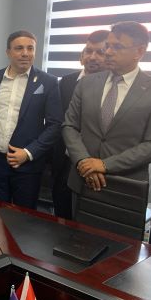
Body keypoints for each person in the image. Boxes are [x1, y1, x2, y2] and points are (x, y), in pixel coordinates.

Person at [62, 21, 151, 217]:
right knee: (76, 235)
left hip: (126, 187)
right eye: (108, 46)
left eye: (117, 47)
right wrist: (84, 161)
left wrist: (104, 165)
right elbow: (70, 126)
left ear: (139, 51)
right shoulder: (86, 83)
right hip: (82, 180)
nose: (109, 52)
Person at [0, 30, 63, 209]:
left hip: (28, 164)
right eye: (19, 48)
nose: (25, 53)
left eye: (30, 48)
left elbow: (55, 125)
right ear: (8, 52)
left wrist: (29, 152)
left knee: (24, 218)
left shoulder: (48, 82)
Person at [51, 30, 109, 219]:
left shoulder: (113, 86)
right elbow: (59, 121)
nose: (93, 57)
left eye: (100, 52)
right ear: (82, 55)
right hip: (64, 162)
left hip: (96, 165)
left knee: (89, 220)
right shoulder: (66, 82)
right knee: (62, 214)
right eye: (89, 51)